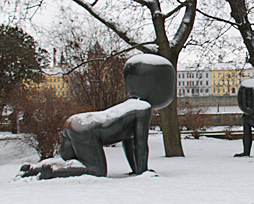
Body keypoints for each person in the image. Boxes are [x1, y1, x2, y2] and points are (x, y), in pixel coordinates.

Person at [18, 54, 175, 179]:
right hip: (87, 129)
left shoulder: (129, 107)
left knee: (71, 162)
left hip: (75, 123)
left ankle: (34, 169)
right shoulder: (142, 108)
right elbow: (140, 145)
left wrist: (137, 170)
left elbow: (129, 141)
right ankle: (51, 171)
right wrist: (142, 171)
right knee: (95, 170)